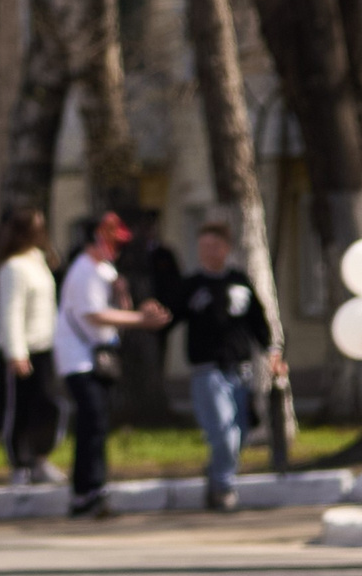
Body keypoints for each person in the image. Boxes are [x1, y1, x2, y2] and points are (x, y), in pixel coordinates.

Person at [54, 210, 167, 518]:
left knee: (98, 424)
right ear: (95, 240)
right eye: (110, 242)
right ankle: (86, 492)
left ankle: (91, 490)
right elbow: (94, 315)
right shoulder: (85, 271)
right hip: (80, 360)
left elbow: (116, 308)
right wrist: (141, 320)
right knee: (93, 424)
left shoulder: (103, 269)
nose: (116, 249)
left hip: (96, 358)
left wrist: (126, 298)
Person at [171, 218, 281, 511]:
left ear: (226, 248)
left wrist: (272, 351)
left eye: (214, 245)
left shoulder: (239, 281)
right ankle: (223, 488)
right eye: (203, 246)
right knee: (223, 431)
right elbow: (170, 316)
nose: (208, 251)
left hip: (241, 369)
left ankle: (216, 474)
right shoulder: (192, 285)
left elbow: (258, 320)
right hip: (207, 370)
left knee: (242, 431)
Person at [0, 208, 62, 486]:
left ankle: (40, 457)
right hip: (24, 350)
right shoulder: (13, 267)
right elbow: (9, 311)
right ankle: (19, 462)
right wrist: (16, 352)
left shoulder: (40, 261)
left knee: (46, 405)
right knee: (20, 407)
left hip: (45, 346)